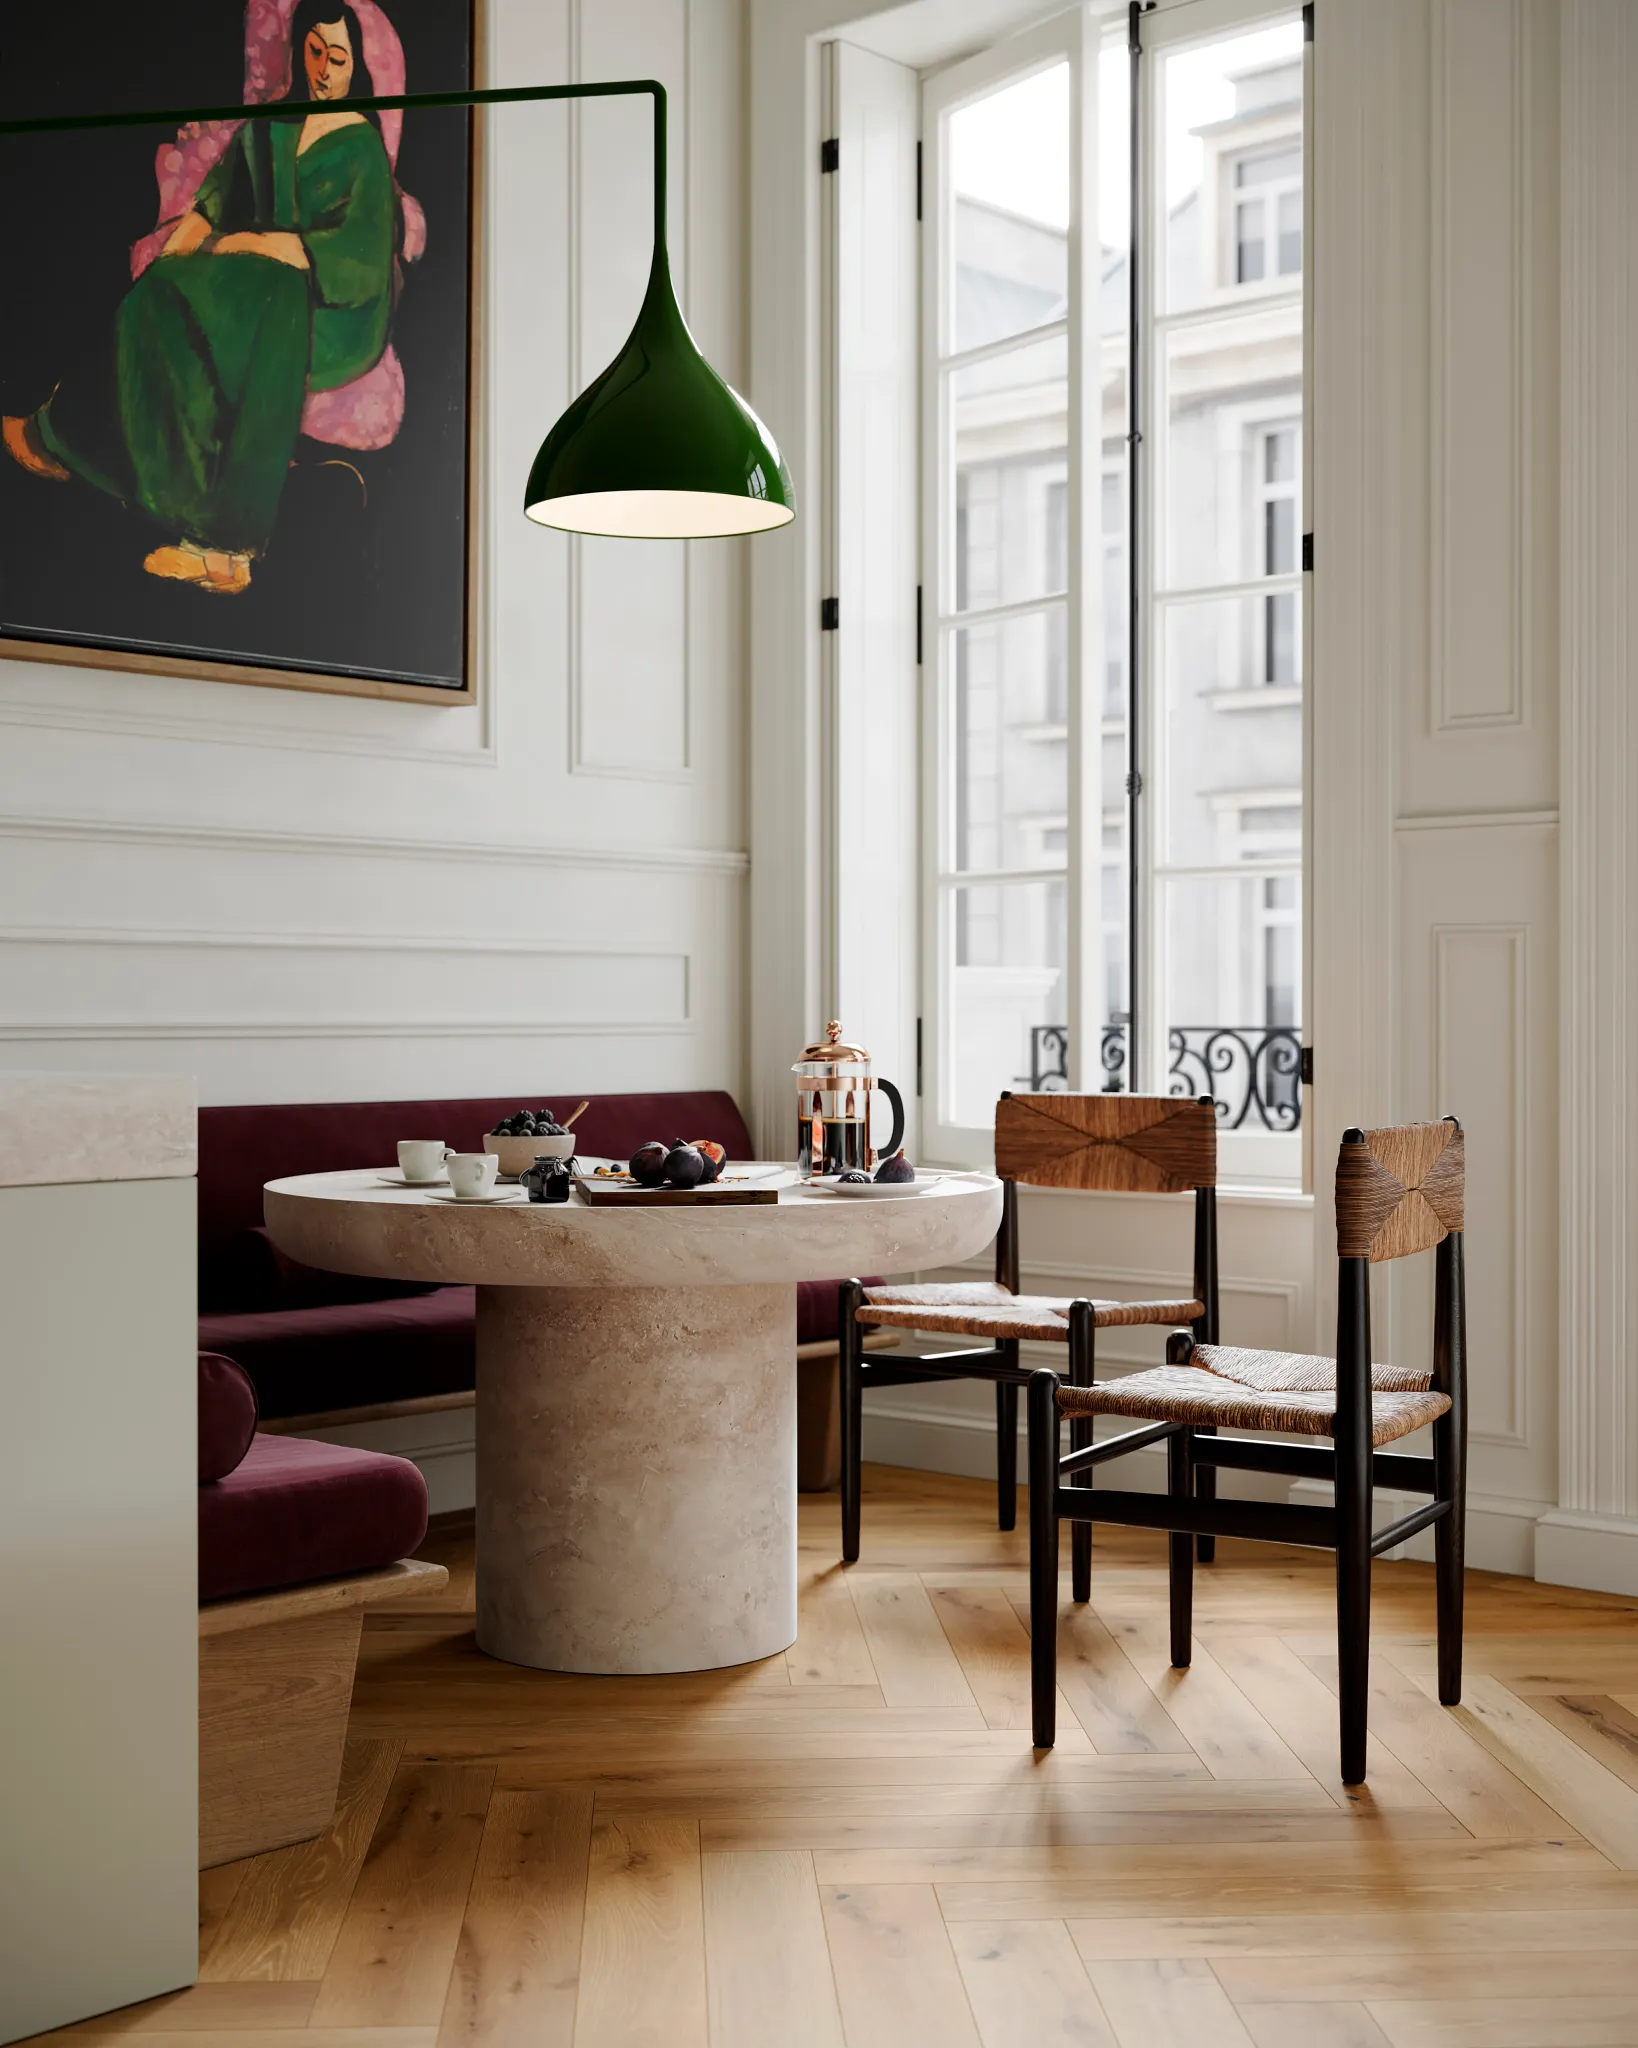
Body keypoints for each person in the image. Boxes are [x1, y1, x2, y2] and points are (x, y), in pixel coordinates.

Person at [2, 2, 400, 595]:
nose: (322, 69)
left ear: (355, 67)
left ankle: (227, 551)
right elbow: (219, 198)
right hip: (248, 277)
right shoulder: (274, 124)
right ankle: (68, 439)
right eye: (314, 52)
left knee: (274, 299)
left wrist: (263, 244)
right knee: (160, 295)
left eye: (337, 58)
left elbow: (360, 259)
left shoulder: (361, 148)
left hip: (331, 307)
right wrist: (186, 240)